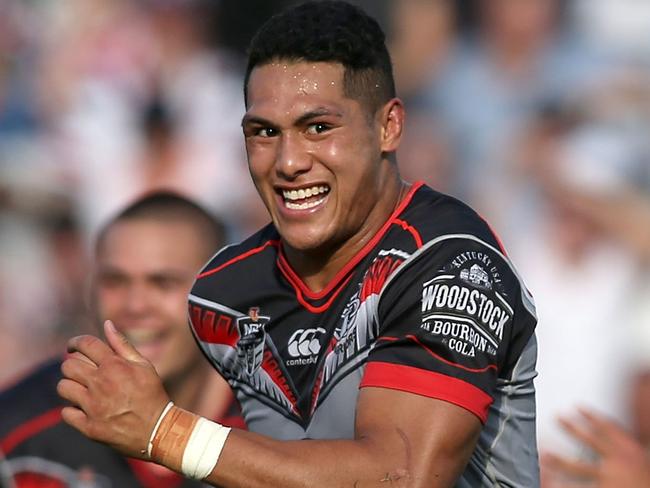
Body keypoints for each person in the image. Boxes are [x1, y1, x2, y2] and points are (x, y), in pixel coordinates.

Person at [58, 2, 539, 486]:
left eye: (318, 128)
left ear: (388, 127)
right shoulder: (223, 293)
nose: (288, 162)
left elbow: (403, 475)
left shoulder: (451, 263)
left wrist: (167, 433)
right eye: (265, 132)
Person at [0, 192, 244, 487]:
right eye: (115, 281)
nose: (135, 305)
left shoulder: (281, 428)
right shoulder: (20, 429)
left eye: (162, 283)